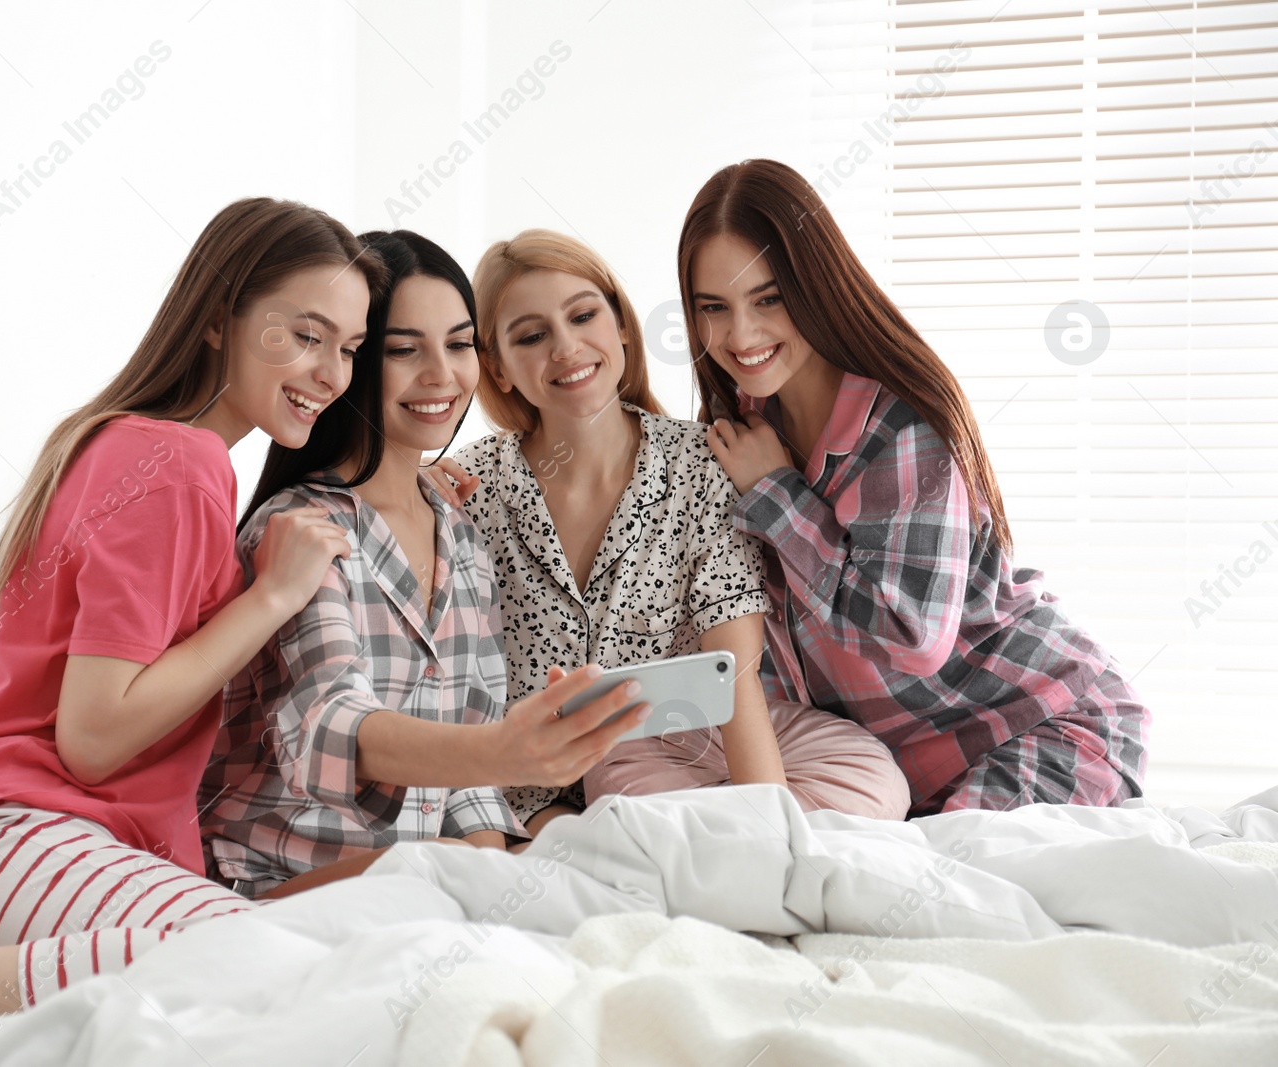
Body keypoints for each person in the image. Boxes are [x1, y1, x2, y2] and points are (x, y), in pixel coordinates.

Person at [0, 198, 387, 1041]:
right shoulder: (180, 463)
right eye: (305, 334)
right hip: (3, 854)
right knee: (268, 966)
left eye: (351, 349)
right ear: (222, 320)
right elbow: (96, 735)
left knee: (310, 958)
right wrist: (271, 596)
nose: (332, 374)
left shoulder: (125, 444)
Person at [682, 158, 1149, 817]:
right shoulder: (746, 430)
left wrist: (780, 494)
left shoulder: (901, 427)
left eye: (768, 298)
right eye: (714, 307)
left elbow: (912, 636)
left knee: (953, 893)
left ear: (813, 286)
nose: (741, 335)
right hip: (906, 768)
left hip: (1043, 718)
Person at [201, 230, 644, 897]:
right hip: (276, 885)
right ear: (352, 361)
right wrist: (503, 750)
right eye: (404, 350)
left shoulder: (461, 537)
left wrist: (492, 875)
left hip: (420, 882)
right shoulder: (299, 531)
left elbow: (469, 788)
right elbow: (328, 726)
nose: (442, 374)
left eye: (460, 343)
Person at [436, 229, 911, 836]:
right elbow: (456, 686)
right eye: (531, 336)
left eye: (583, 316)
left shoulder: (701, 464)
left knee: (874, 781)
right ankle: (652, 848)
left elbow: (733, 672)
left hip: (686, 754)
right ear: (496, 369)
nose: (566, 347)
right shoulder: (471, 488)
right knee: (620, 823)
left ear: (623, 329)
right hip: (532, 783)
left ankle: (694, 846)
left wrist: (771, 833)